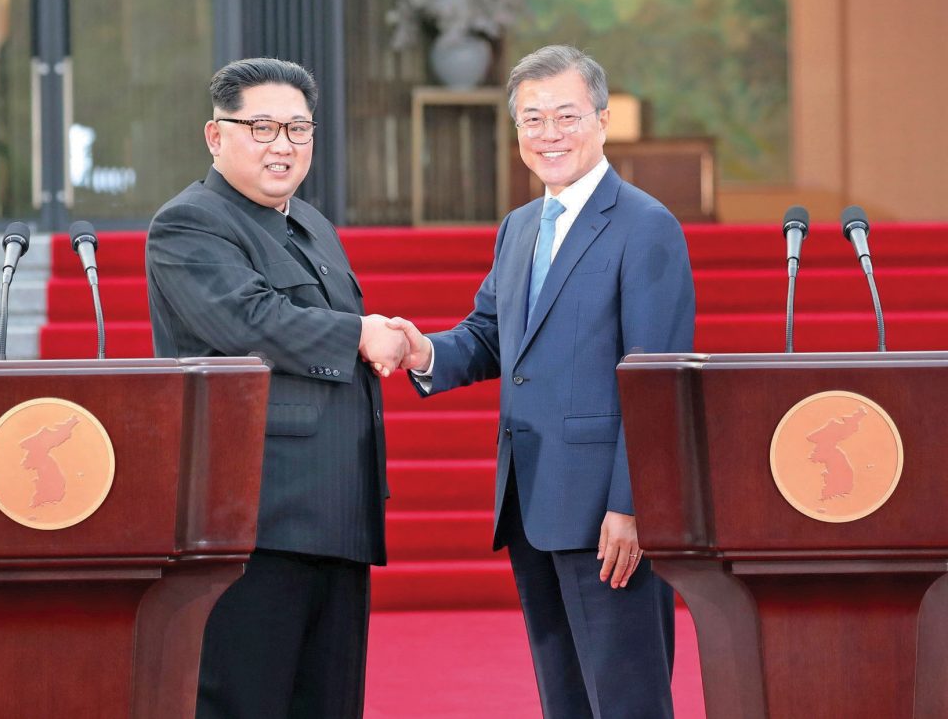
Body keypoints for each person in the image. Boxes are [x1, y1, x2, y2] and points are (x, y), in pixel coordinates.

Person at [389, 45, 695, 718]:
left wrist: (633, 506)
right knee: (566, 699)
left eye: (566, 115)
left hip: (608, 517)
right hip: (532, 501)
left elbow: (656, 380)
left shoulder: (646, 227)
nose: (548, 133)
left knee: (627, 700)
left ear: (603, 120)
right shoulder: (521, 226)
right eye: (532, 119)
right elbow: (490, 335)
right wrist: (423, 351)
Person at [145, 57, 406, 719]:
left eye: (297, 129)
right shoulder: (189, 223)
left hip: (336, 515)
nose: (282, 145)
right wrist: (359, 333)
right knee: (245, 700)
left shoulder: (312, 224)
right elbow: (249, 320)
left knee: (328, 703)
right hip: (254, 520)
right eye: (261, 127)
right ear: (216, 135)